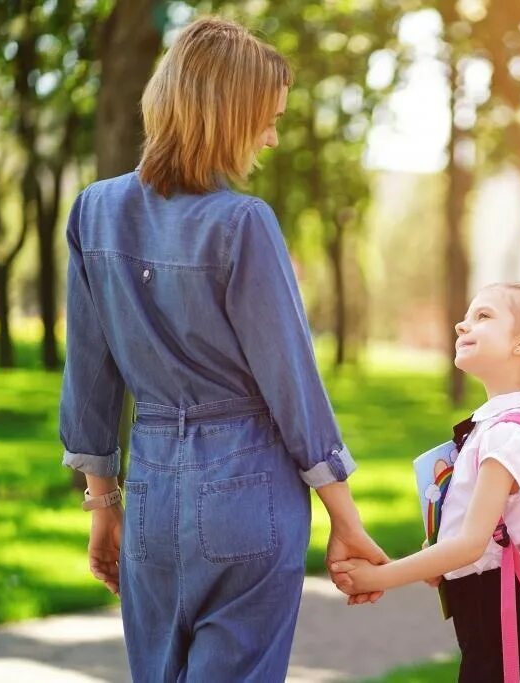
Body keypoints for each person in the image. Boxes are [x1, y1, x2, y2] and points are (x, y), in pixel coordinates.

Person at [58, 17, 385, 682]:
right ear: (226, 114)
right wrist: (345, 520)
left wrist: (103, 507)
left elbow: (88, 379)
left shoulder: (92, 211)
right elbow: (293, 385)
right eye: (266, 119)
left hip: (150, 494)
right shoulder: (243, 223)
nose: (270, 136)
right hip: (248, 495)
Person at [331, 282, 520, 682]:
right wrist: (439, 559)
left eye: (482, 316)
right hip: (501, 623)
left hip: (513, 632)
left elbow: (470, 545)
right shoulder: (501, 427)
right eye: (466, 316)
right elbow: (481, 532)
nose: (461, 325)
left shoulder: (507, 436)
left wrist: (380, 577)